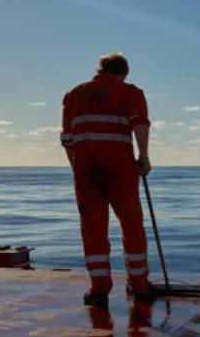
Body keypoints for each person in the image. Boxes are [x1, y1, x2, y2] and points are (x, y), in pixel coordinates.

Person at [61, 52, 153, 308]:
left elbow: (67, 140)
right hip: (119, 168)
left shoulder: (74, 94)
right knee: (132, 224)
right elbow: (140, 125)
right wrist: (143, 157)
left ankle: (99, 288)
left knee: (93, 227)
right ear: (123, 72)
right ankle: (140, 286)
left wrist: (77, 169)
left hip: (86, 169)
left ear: (100, 70)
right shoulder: (130, 92)